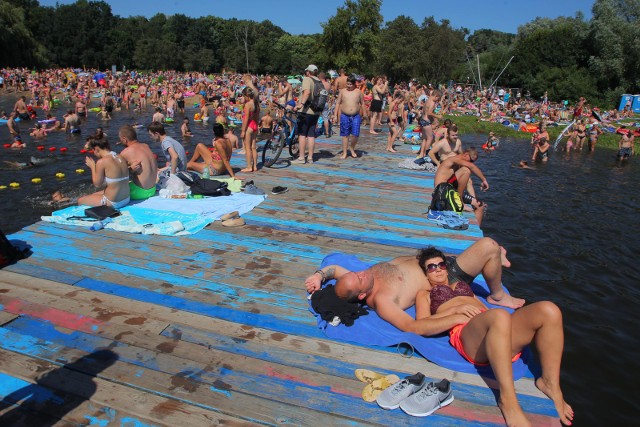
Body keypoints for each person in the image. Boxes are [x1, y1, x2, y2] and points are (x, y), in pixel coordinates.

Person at [432, 148, 488, 225]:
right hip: (441, 191)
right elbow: (471, 166)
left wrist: (474, 200)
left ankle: (475, 232)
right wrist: (484, 180)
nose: (471, 163)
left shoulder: (461, 166)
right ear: (465, 154)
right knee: (466, 170)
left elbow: (468, 183)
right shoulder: (454, 159)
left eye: (473, 161)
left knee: (480, 206)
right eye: (471, 160)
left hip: (450, 191)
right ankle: (460, 203)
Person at [77, 138, 130, 208]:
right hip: (126, 199)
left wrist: (93, 166)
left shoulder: (101, 162)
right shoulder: (120, 157)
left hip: (114, 203)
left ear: (96, 149)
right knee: (93, 195)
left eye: (93, 151)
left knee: (80, 200)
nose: (94, 153)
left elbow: (97, 184)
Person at [118, 125, 158, 200]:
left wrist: (130, 170)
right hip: (152, 189)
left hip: (139, 193)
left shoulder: (125, 152)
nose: (120, 141)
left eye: (120, 139)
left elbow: (117, 176)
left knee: (109, 191)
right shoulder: (146, 146)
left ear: (124, 139)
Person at [293, 65, 323, 164]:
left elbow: (307, 92)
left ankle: (301, 158)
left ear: (308, 72)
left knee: (302, 134)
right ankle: (310, 157)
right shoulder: (319, 81)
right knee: (311, 135)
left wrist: (300, 104)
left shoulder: (307, 79)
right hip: (316, 111)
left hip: (306, 111)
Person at [333, 75, 363, 159]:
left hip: (356, 115)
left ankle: (352, 148)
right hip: (345, 115)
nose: (348, 86)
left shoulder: (358, 92)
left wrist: (364, 115)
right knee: (345, 135)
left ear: (354, 84)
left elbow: (362, 104)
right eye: (347, 84)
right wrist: (335, 115)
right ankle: (345, 152)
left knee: (355, 134)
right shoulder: (342, 91)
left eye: (350, 84)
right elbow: (338, 103)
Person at [417, 90, 443, 159]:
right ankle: (426, 155)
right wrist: (438, 116)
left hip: (423, 120)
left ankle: (421, 154)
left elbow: (424, 111)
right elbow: (429, 113)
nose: (438, 100)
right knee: (430, 138)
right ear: (435, 96)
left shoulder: (427, 100)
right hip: (426, 121)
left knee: (425, 139)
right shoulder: (432, 102)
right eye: (438, 98)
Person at [240, 85, 259, 172]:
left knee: (247, 147)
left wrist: (243, 131)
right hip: (255, 125)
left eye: (244, 96)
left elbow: (246, 118)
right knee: (254, 147)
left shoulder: (248, 105)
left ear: (247, 96)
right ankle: (255, 166)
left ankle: (249, 167)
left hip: (249, 126)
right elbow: (257, 117)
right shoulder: (256, 104)